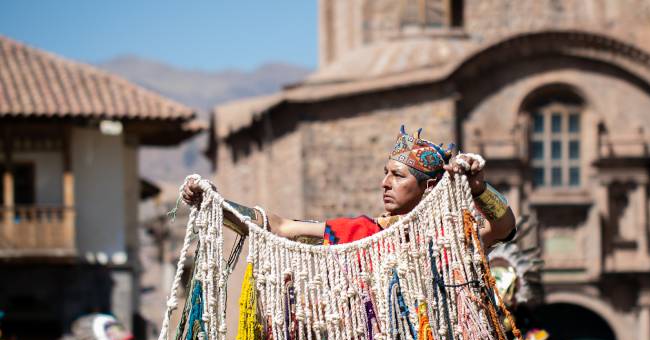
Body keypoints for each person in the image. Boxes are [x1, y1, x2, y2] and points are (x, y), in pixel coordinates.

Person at [182, 126, 517, 248]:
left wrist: (479, 189)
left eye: (398, 176)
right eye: (385, 173)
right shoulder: (365, 233)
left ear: (429, 186)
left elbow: (503, 227)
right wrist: (216, 204)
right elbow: (281, 228)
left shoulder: (452, 238)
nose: (385, 183)